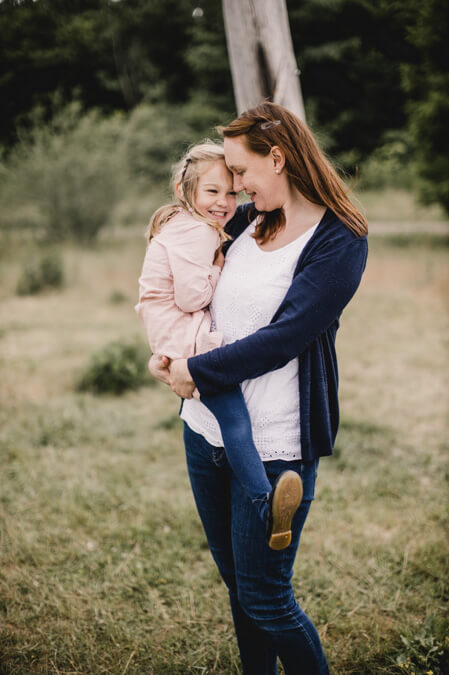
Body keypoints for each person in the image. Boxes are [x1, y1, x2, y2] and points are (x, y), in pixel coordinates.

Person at [150, 102, 368, 675]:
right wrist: (171, 350)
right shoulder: (250, 221)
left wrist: (197, 372)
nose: (237, 189)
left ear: (278, 158)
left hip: (276, 445)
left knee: (268, 600)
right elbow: (191, 286)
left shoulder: (339, 239)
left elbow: (286, 336)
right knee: (240, 592)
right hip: (204, 430)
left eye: (242, 174)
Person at [136, 140, 304, 552]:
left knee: (230, 418)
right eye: (212, 191)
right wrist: (218, 265)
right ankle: (267, 505)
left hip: (170, 334)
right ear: (184, 190)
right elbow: (193, 297)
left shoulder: (179, 223)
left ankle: (265, 504)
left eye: (231, 192)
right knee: (235, 419)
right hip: (184, 338)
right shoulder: (196, 232)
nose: (225, 202)